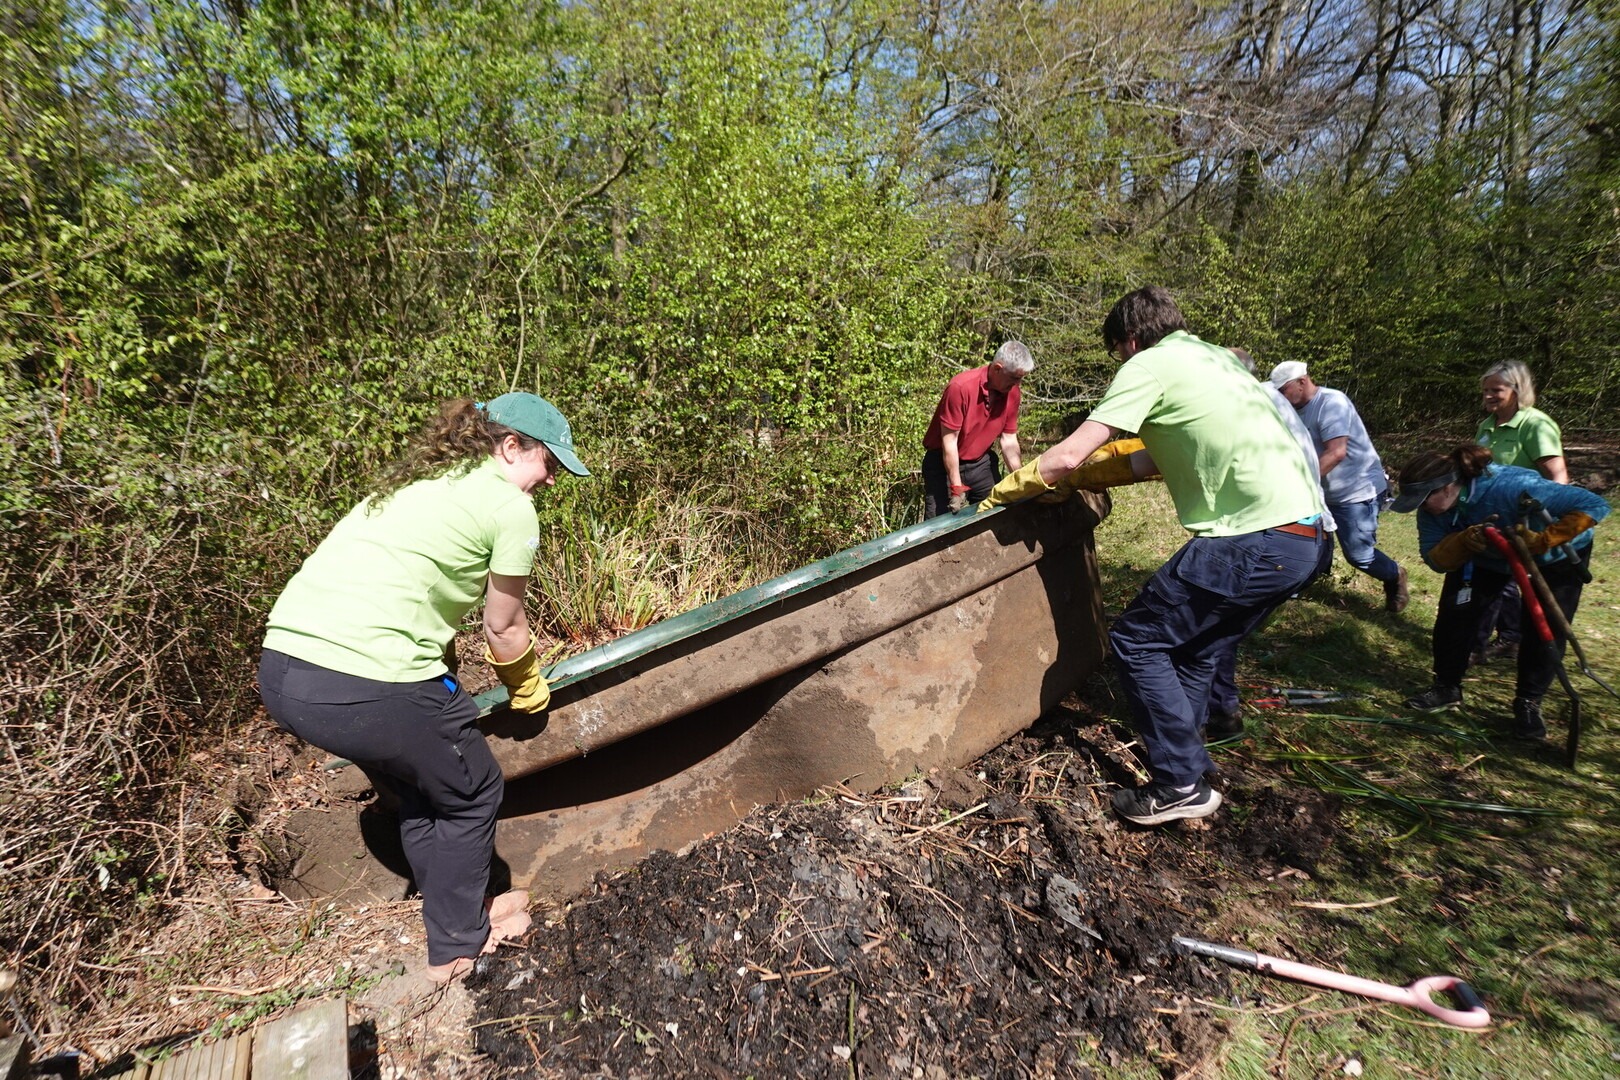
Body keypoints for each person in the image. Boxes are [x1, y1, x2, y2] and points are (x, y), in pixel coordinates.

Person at [258, 393, 589, 983]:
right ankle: (459, 948)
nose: (550, 479)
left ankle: (463, 914)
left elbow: (410, 594)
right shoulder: (508, 508)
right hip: (369, 678)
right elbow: (504, 625)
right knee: (473, 789)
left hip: (285, 673)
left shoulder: (417, 486)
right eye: (549, 463)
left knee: (422, 791)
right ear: (511, 446)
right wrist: (527, 685)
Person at [979, 287, 1327, 826]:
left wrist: (1004, 495)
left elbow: (1070, 451)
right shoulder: (1214, 361)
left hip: (1249, 539)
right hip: (1302, 538)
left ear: (1131, 340)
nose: (1121, 362)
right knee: (1193, 650)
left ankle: (1180, 784)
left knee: (1137, 640)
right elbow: (1150, 459)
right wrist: (1089, 475)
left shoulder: (1153, 365)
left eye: (1118, 352)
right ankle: (1188, 768)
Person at [1392, 444, 1605, 738]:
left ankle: (1529, 702)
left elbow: (1593, 504)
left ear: (1448, 486)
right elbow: (1434, 558)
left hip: (1558, 555)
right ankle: (1446, 687)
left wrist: (1545, 539)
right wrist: (1461, 543)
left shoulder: (1511, 487)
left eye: (1424, 498)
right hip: (1491, 556)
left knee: (1545, 628)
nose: (1421, 507)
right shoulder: (1433, 511)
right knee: (1456, 616)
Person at [1202, 349, 1337, 738]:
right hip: (1308, 538)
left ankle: (1194, 734)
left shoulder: (1247, 404)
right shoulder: (1268, 400)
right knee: (1220, 632)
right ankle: (1222, 717)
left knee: (1205, 633)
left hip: (1279, 538)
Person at [1269, 361, 1408, 614]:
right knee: (1311, 541)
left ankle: (1395, 574)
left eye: (1284, 389)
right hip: (1321, 490)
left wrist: (1298, 482)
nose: (1281, 396)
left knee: (1360, 556)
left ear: (1302, 381)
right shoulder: (1291, 408)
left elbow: (1336, 453)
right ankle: (1298, 588)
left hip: (1355, 491)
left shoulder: (1332, 403)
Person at [1471, 362, 1568, 665]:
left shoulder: (1535, 425)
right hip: (1492, 516)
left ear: (1517, 390)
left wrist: (1547, 519)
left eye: (1496, 390)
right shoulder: (1487, 425)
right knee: (1497, 579)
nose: (1489, 396)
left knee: (1503, 580)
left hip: (1524, 520)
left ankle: (1485, 643)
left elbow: (1558, 474)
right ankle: (1506, 637)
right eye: (1486, 390)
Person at [921, 341, 1031, 516]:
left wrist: (1022, 480)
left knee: (997, 515)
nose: (1017, 384)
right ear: (997, 368)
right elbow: (949, 441)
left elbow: (1009, 440)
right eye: (1014, 378)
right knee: (938, 527)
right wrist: (956, 487)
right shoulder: (961, 387)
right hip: (942, 464)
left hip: (981, 464)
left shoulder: (1013, 393)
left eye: (1020, 378)